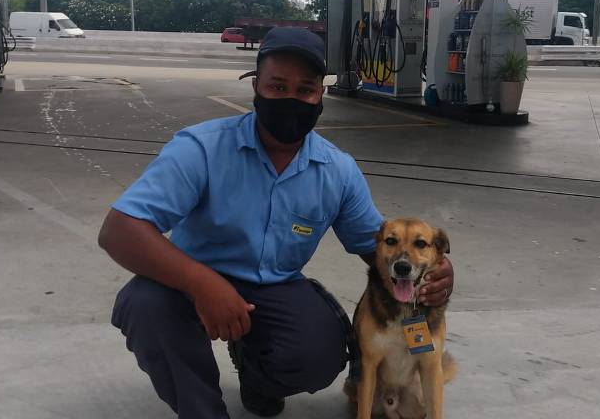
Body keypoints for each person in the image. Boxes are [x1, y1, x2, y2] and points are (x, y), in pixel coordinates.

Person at [98, 27, 455, 419]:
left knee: (319, 351)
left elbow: (376, 248)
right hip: (189, 277)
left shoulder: (337, 170)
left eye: (305, 90)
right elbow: (120, 229)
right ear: (256, 87)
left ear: (320, 94)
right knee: (145, 304)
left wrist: (434, 270)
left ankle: (257, 377)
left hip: (274, 288)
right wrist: (202, 283)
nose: (291, 99)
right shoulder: (201, 148)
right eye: (277, 86)